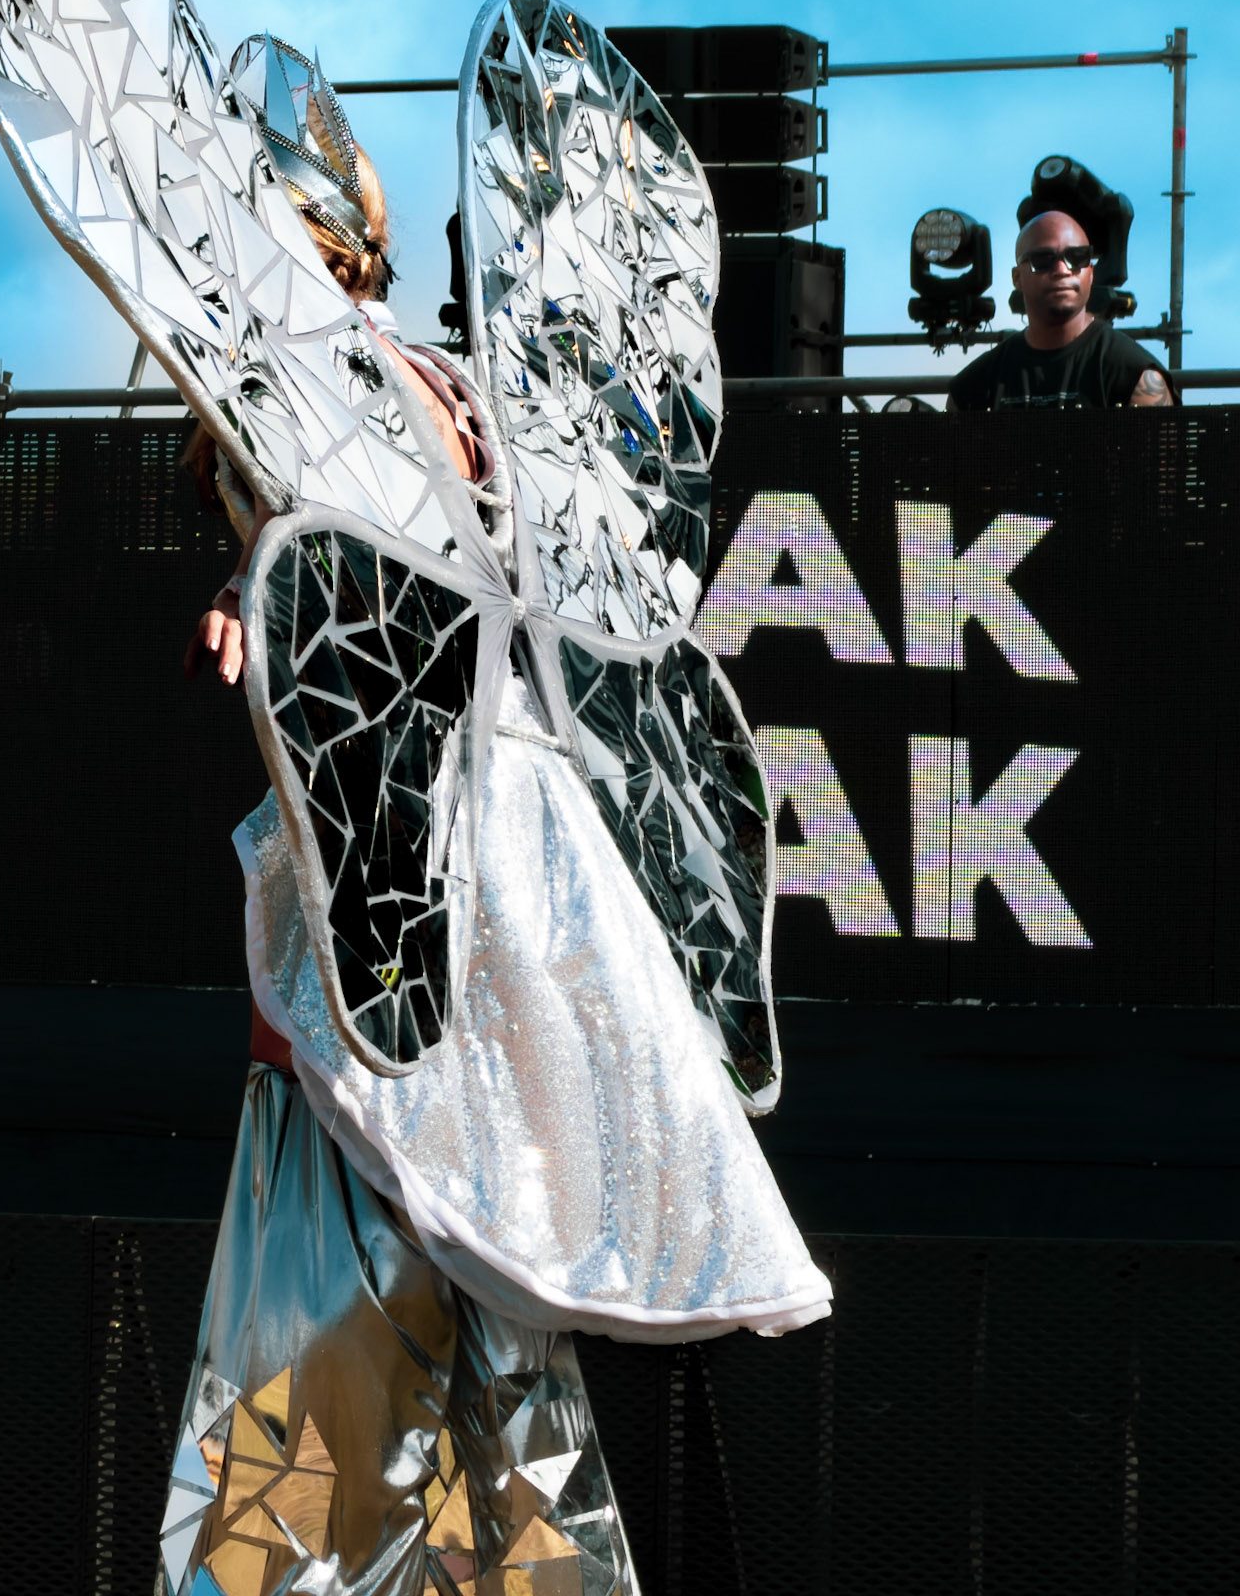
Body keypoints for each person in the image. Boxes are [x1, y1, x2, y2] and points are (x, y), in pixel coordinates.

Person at [171, 119, 830, 1596]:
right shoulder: (396, 387)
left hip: (428, 874)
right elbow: (369, 552)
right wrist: (257, 585)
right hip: (455, 869)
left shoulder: (344, 380)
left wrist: (268, 587)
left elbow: (386, 554)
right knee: (454, 1247)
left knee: (373, 1232)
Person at [947, 209, 1173, 410]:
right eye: (1042, 260)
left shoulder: (1137, 379)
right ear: (1017, 278)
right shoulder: (971, 389)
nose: (1062, 269)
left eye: (1077, 257)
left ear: (1091, 273)